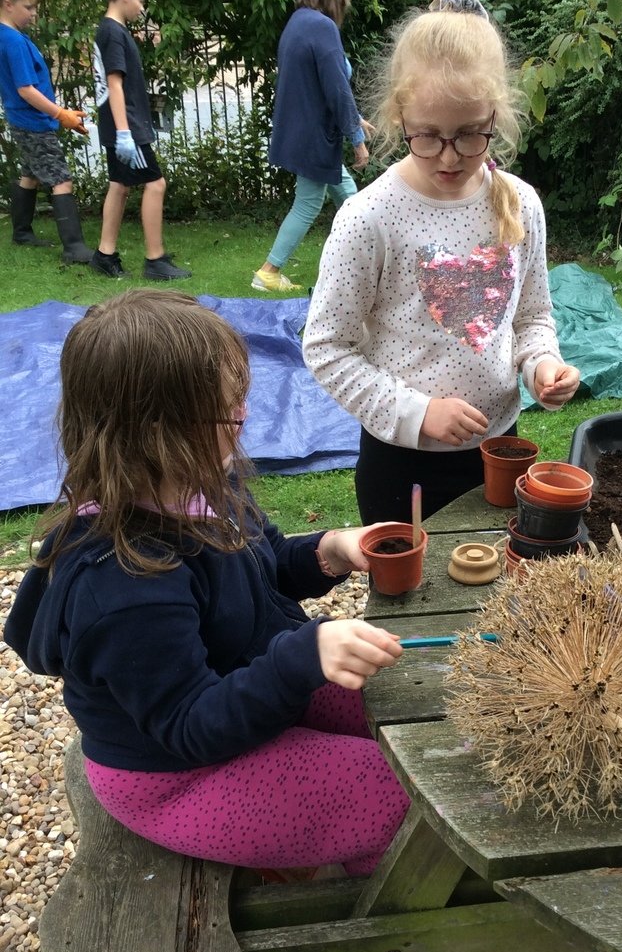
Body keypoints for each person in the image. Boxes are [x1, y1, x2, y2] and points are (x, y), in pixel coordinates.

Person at [4, 290, 409, 875]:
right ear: (155, 432)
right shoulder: (125, 585)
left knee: (405, 709)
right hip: (177, 774)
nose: (243, 417)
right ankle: (378, 904)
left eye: (241, 397)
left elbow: (261, 563)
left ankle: (330, 845)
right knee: (394, 793)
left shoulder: (199, 483)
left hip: (240, 684)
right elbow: (191, 727)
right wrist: (300, 658)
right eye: (227, 410)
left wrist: (330, 551)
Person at [302, 0, 581, 524]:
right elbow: (326, 348)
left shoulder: (521, 204)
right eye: (427, 135)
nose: (450, 156)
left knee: (497, 597)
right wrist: (419, 413)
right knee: (408, 603)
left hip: (500, 453)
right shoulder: (369, 218)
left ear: (497, 116)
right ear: (397, 116)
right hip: (401, 466)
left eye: (472, 133)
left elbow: (532, 317)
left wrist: (542, 364)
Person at [252, 0, 370, 293]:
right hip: (313, 139)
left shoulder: (298, 22)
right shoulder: (321, 27)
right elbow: (335, 87)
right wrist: (357, 138)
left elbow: (315, 86)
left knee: (351, 200)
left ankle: (364, 263)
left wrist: (353, 118)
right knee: (308, 203)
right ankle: (268, 272)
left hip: (302, 133)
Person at [90, 0, 190, 280]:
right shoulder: (114, 33)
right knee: (155, 184)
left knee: (119, 186)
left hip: (121, 124)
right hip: (127, 126)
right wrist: (124, 133)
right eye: (140, 1)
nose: (141, 7)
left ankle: (105, 254)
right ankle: (155, 260)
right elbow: (114, 84)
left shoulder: (108, 30)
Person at [0, 0, 92, 263]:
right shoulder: (13, 41)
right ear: (7, 4)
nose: (34, 13)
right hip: (32, 122)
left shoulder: (8, 37)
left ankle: (22, 233)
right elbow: (26, 89)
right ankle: (75, 249)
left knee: (31, 174)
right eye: (28, 7)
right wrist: (60, 113)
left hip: (22, 120)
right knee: (61, 179)